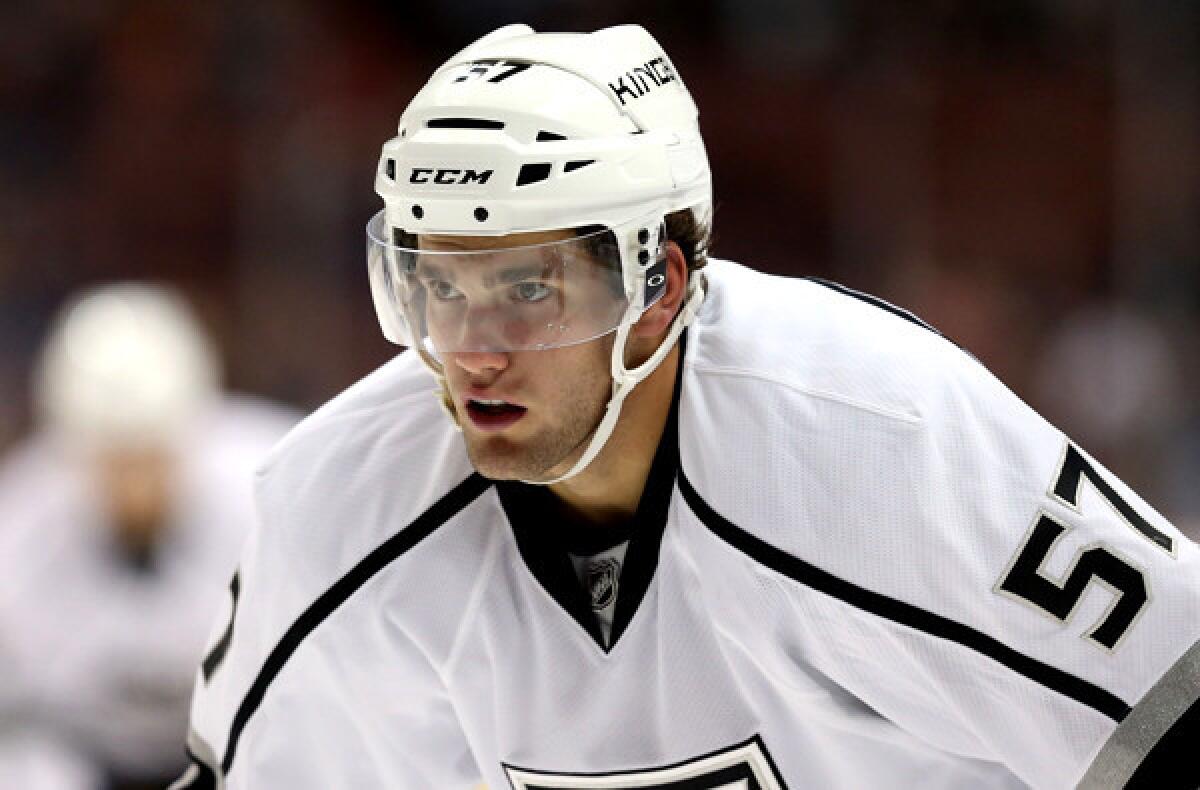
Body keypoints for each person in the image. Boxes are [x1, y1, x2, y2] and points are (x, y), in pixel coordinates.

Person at [176, 24, 1200, 790]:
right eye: (438, 286)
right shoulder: (332, 509)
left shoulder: (874, 438)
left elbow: (1175, 705)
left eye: (529, 289)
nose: (473, 351)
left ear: (657, 285)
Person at [0, 283, 299, 790]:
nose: (134, 485)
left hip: (253, 749)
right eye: (114, 460)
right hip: (86, 760)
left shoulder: (281, 486)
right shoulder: (21, 529)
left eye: (150, 457)